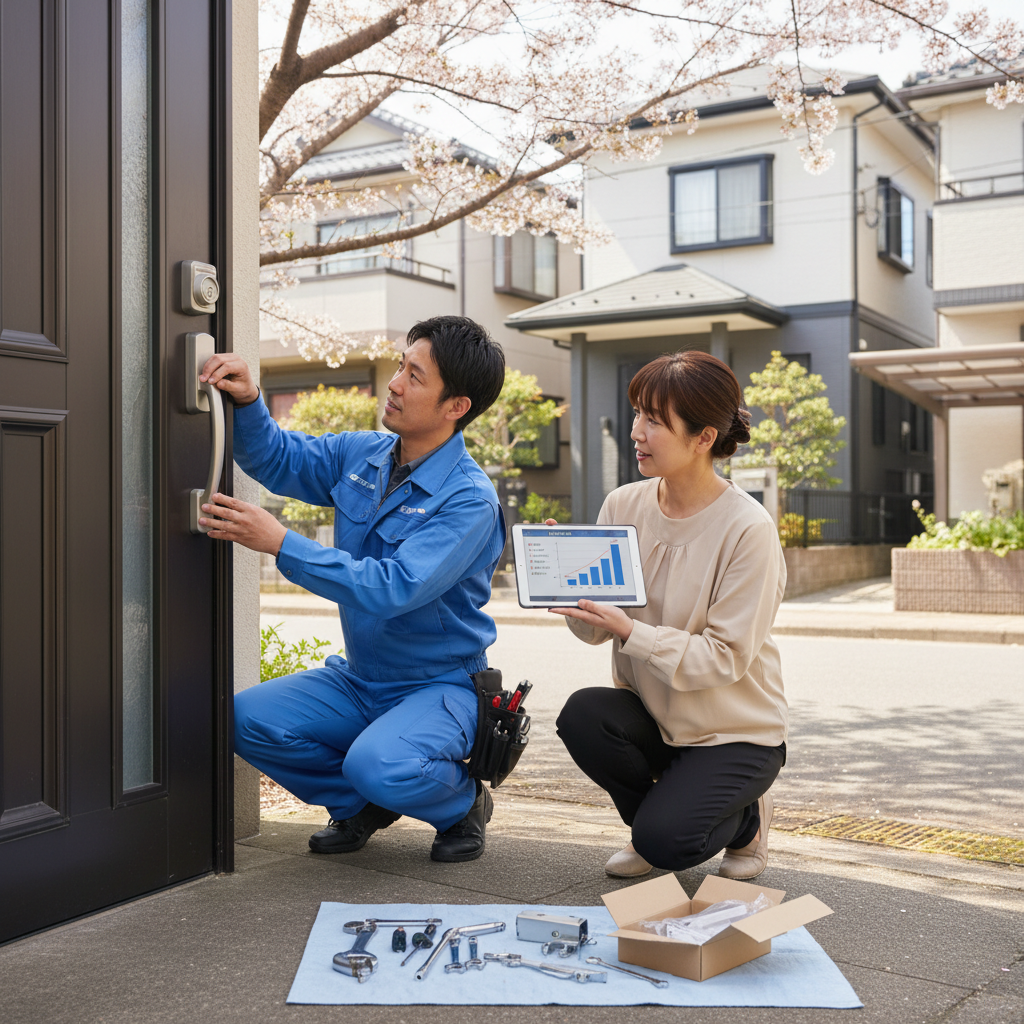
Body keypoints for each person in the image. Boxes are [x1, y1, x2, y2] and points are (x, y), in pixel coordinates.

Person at [197, 316, 507, 862]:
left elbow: (395, 587)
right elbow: (277, 458)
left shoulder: (468, 501)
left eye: (415, 376)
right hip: (361, 681)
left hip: (439, 687)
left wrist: (281, 544)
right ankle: (359, 803)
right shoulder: (361, 454)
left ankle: (460, 805)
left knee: (380, 763)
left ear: (456, 406)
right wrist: (247, 402)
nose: (395, 383)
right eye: (400, 367)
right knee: (241, 718)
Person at [554, 350, 787, 880]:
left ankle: (745, 822)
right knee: (583, 716)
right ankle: (651, 828)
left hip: (734, 732)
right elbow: (596, 632)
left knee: (672, 842)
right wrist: (573, 592)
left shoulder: (747, 529)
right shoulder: (622, 505)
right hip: (658, 718)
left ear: (704, 437)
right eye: (637, 413)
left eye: (654, 421)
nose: (637, 431)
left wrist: (631, 631)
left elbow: (725, 658)